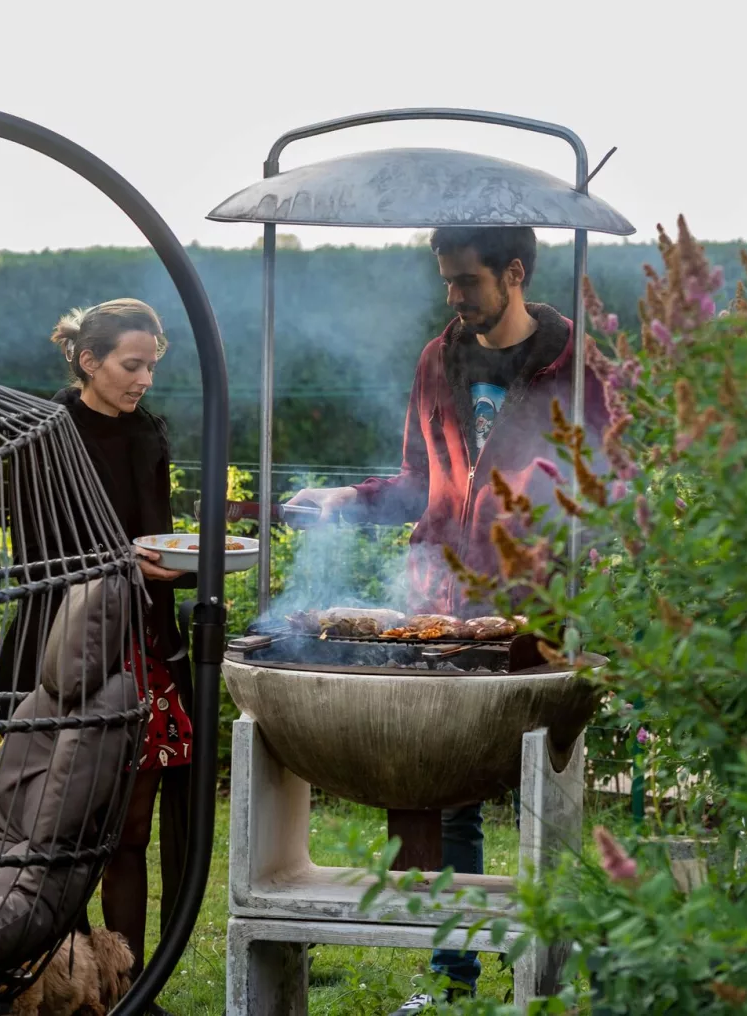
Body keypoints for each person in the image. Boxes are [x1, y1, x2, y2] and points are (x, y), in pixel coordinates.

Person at [285, 226, 608, 1014]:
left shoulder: (579, 371)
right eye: (447, 282)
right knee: (443, 793)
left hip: (537, 608)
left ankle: (545, 977)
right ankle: (454, 984)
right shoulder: (438, 360)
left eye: (467, 282)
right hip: (442, 601)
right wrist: (348, 501)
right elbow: (417, 479)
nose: (454, 298)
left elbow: (611, 486)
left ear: (516, 273)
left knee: (545, 793)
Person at [0, 298, 194, 986]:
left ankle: (124, 985)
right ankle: (66, 983)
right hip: (65, 652)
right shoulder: (46, 434)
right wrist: (122, 563)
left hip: (143, 649)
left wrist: (171, 565)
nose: (144, 380)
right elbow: (34, 557)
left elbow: (157, 534)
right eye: (132, 365)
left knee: (130, 832)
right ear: (87, 360)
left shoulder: (148, 435)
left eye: (151, 366)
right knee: (64, 836)